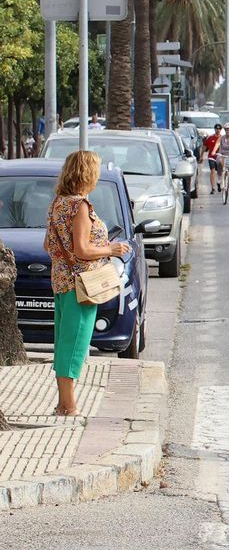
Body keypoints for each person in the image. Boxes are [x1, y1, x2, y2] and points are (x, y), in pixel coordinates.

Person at [45, 151, 131, 415]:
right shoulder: (80, 206)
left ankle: (62, 403)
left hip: (62, 282)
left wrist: (65, 261)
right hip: (81, 285)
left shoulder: (58, 203)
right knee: (75, 344)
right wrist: (111, 249)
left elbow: (48, 245)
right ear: (87, 173)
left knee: (64, 341)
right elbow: (82, 249)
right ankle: (69, 406)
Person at [202, 124, 224, 193]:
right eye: (216, 129)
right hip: (211, 157)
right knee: (212, 171)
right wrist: (201, 155)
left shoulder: (223, 138)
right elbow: (204, 147)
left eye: (219, 129)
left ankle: (219, 183)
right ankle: (213, 188)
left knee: (220, 172)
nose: (218, 130)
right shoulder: (210, 138)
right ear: (214, 129)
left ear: (221, 130)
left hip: (220, 157)